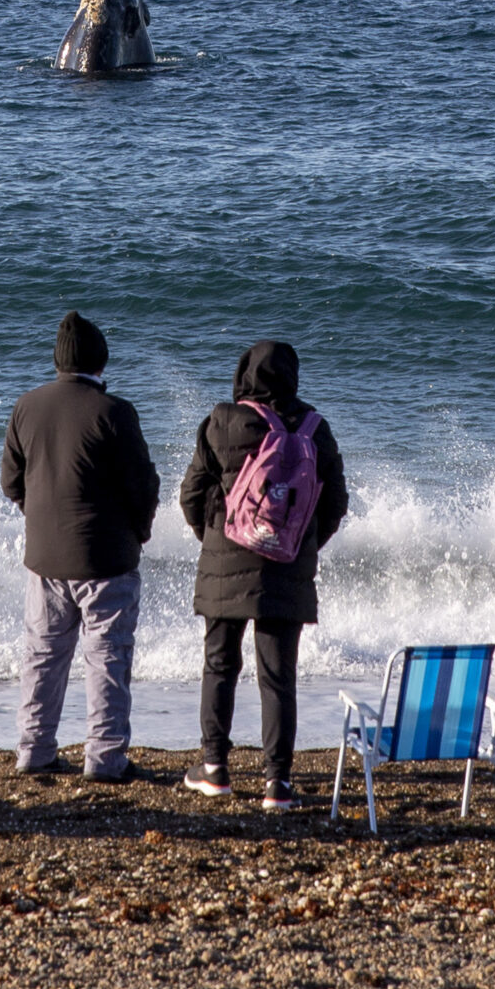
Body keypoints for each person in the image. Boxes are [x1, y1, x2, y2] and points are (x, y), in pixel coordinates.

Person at [177, 341, 349, 812]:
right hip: (286, 569)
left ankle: (214, 769)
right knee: (278, 677)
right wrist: (297, 546)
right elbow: (334, 505)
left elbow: (191, 493)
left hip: (224, 564)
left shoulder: (221, 422)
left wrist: (214, 538)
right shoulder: (315, 429)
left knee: (219, 665)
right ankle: (278, 783)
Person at [0, 312, 161, 782]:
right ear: (101, 360)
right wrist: (140, 531)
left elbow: (11, 482)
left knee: (43, 656)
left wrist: (42, 519)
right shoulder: (114, 412)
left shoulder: (27, 407)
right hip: (106, 559)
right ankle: (106, 759)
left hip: (44, 558)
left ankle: (34, 749)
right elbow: (143, 487)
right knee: (107, 657)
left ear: (57, 361)